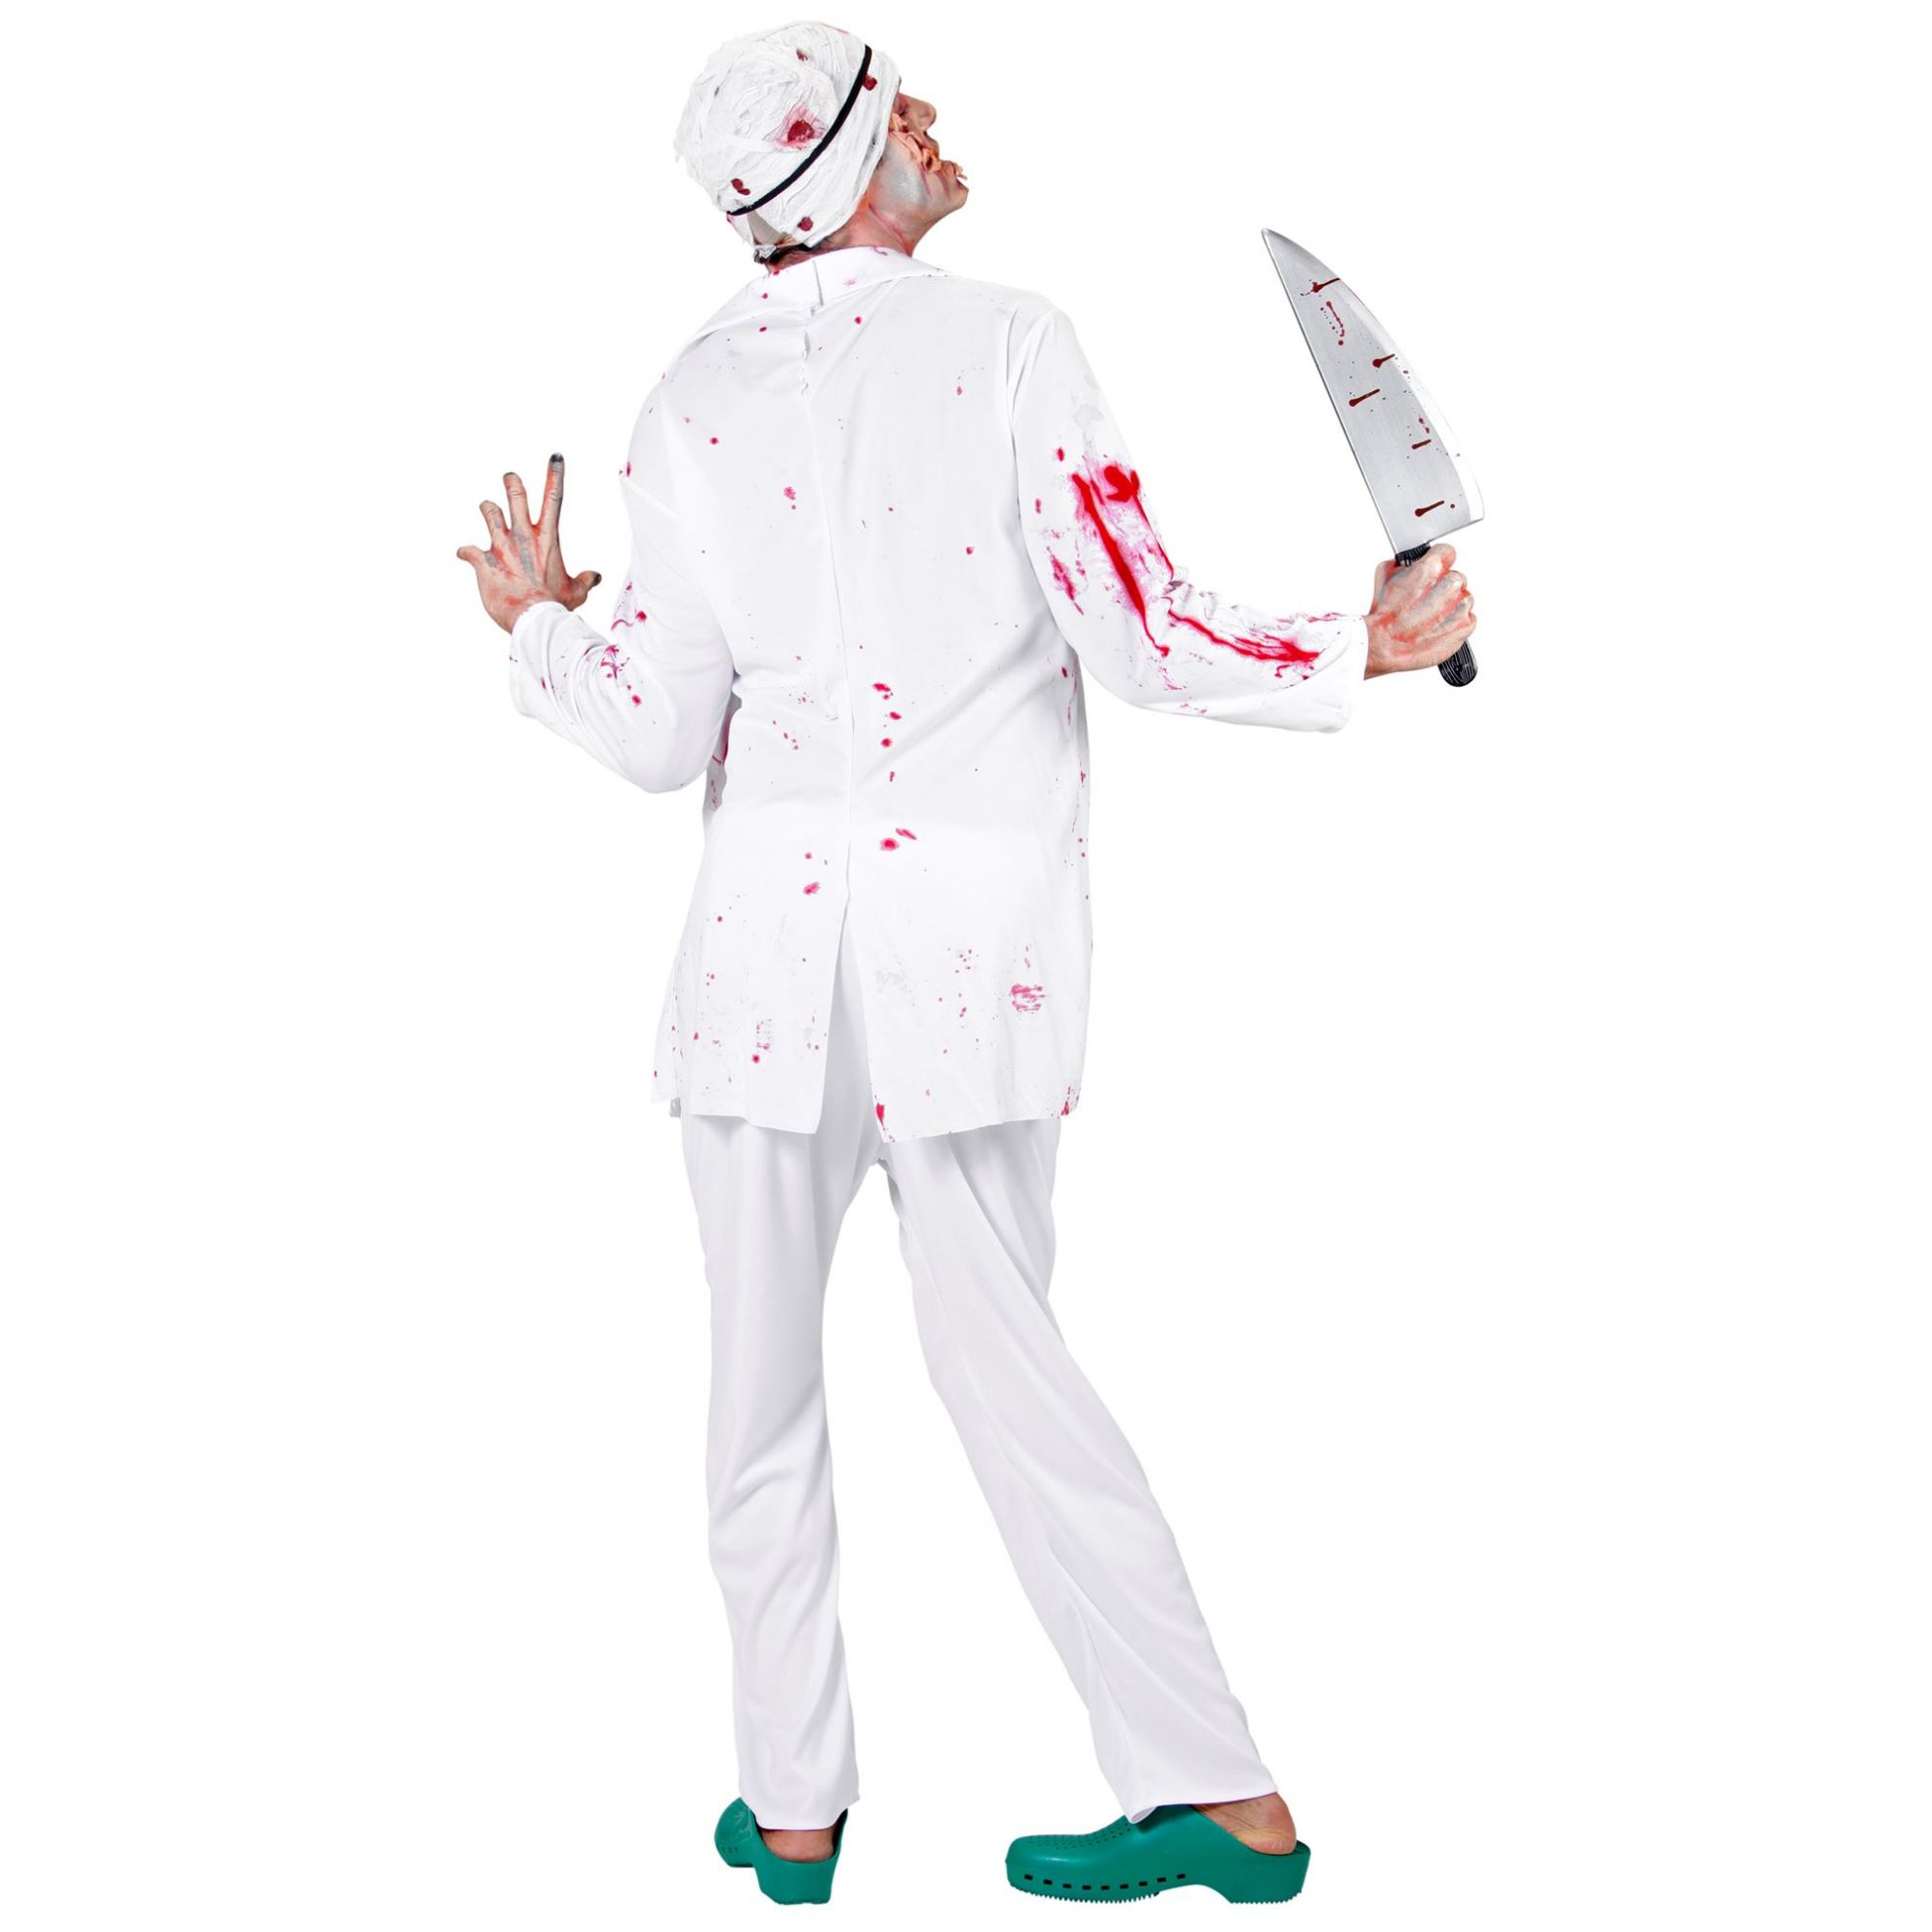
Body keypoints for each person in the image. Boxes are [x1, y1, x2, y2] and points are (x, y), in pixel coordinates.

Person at [456, 20, 1475, 1909]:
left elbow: (658, 730)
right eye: (891, 106)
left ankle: (793, 1816)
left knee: (754, 1394)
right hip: (960, 961)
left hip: (762, 966)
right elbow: (1140, 631)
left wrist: (537, 626)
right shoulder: (1011, 342)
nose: (927, 115)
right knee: (1007, 1366)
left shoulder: (687, 397)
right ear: (847, 172)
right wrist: (1365, 647)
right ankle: (1219, 1794)